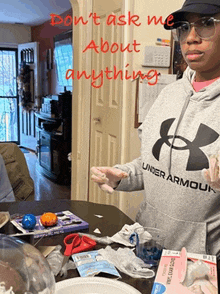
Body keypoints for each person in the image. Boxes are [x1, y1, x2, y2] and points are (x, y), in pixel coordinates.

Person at [91, 0, 220, 257]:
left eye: (206, 24)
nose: (191, 38)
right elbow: (154, 164)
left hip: (201, 260)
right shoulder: (168, 94)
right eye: (184, 27)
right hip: (147, 243)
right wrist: (123, 176)